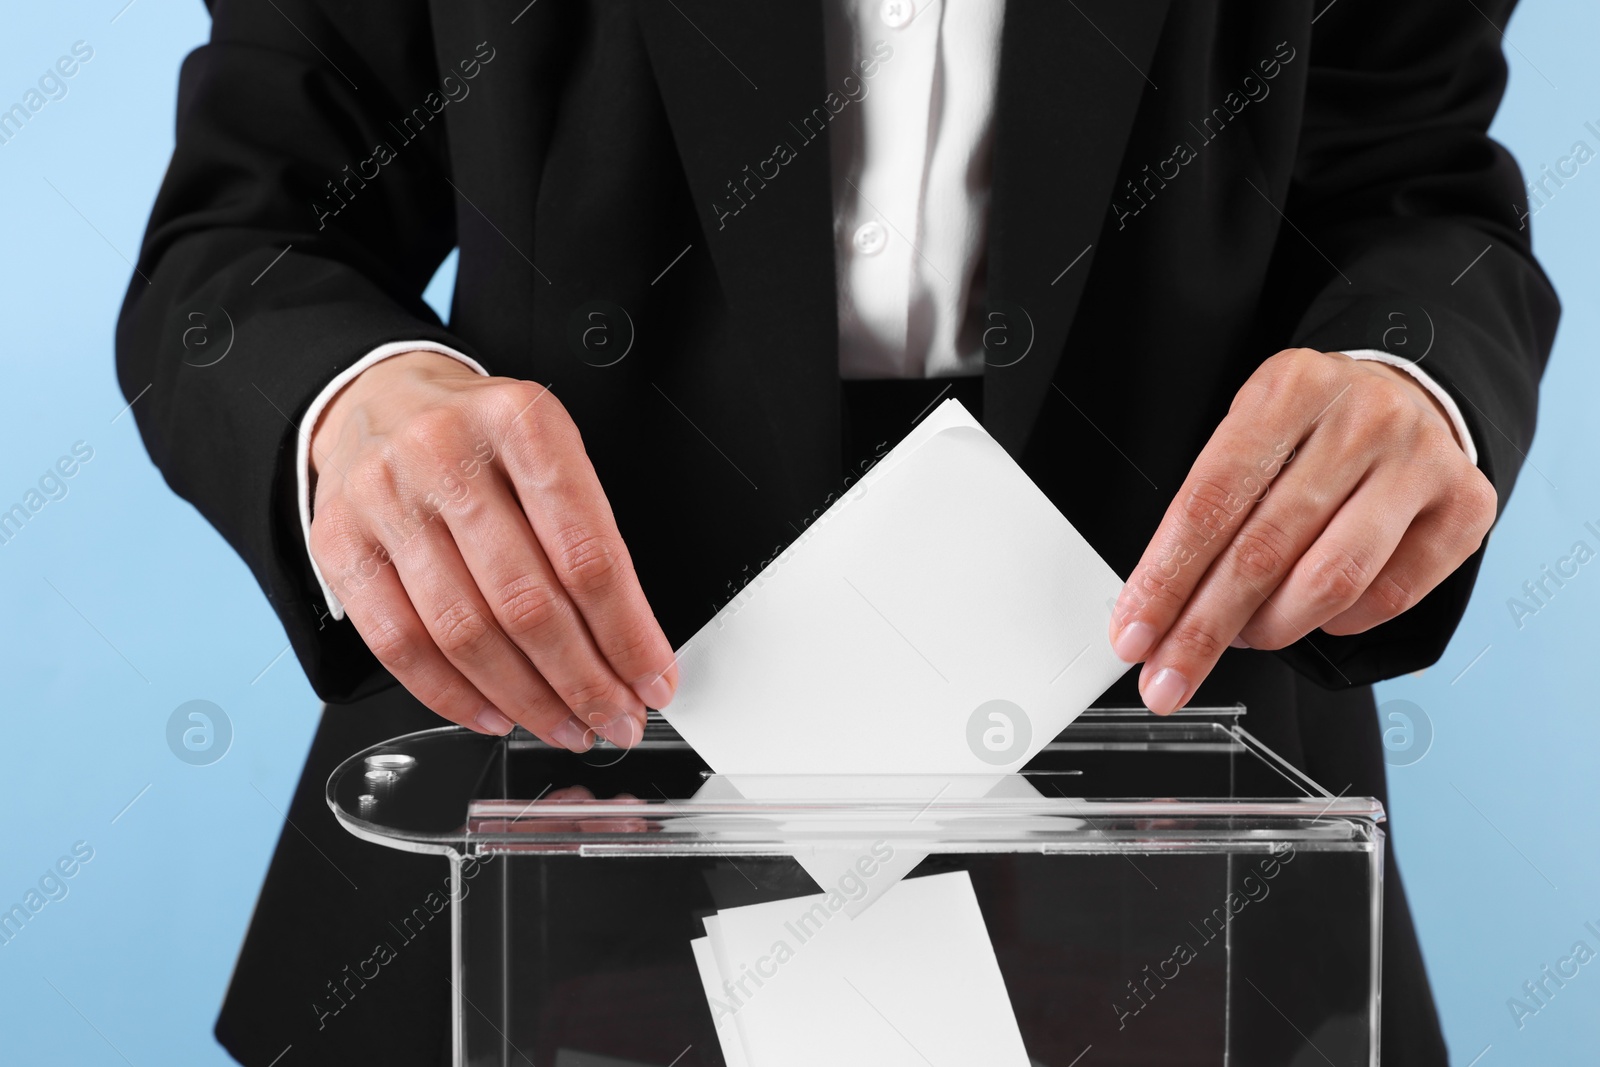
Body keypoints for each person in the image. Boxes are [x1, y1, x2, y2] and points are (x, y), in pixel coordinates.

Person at [117, 1, 1556, 1064]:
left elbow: (1416, 190)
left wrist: (1409, 372)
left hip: (1180, 803)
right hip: (565, 795)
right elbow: (242, 239)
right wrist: (353, 399)